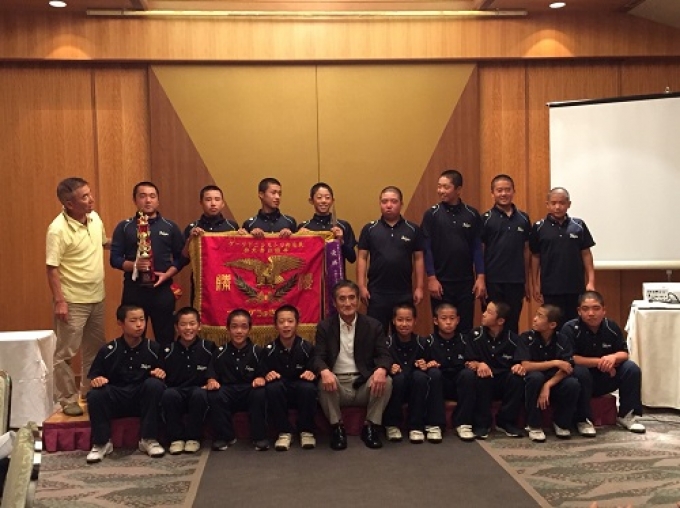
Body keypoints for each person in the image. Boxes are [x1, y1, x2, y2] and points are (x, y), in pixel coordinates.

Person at [46, 177, 108, 417]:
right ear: (69, 204)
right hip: (72, 300)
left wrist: (135, 241)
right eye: (85, 197)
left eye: (90, 194)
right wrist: (60, 301)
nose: (91, 199)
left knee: (94, 349)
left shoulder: (95, 218)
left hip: (97, 297)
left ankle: (89, 392)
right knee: (65, 353)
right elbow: (52, 268)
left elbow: (104, 243)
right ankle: (67, 398)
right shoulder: (57, 229)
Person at [313, 280, 393, 450]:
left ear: (358, 300)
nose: (347, 303)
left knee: (386, 381)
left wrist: (381, 369)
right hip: (336, 386)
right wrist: (324, 370)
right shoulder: (325, 327)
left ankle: (370, 427)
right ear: (334, 303)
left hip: (363, 383)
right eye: (342, 299)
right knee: (322, 380)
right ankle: (337, 428)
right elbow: (317, 357)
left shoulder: (373, 325)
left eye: (351, 298)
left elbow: (385, 355)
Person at [86, 305, 166, 464]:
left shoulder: (154, 348)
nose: (139, 325)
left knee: (155, 385)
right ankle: (102, 443)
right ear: (120, 323)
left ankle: (148, 439)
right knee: (95, 394)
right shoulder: (108, 350)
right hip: (117, 398)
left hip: (141, 398)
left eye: (142, 320)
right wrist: (97, 379)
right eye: (133, 320)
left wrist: (161, 373)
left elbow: (164, 373)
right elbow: (95, 376)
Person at [110, 181, 184, 346]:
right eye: (142, 196)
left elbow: (182, 258)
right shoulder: (124, 227)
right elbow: (114, 259)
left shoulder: (170, 227)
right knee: (133, 337)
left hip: (162, 289)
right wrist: (135, 266)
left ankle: (164, 363)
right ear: (135, 200)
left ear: (158, 200)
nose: (148, 200)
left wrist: (167, 275)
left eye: (152, 196)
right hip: (134, 289)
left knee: (166, 338)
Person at [561, 291, 646, 434]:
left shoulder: (611, 327)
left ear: (603, 310)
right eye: (585, 309)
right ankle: (583, 419)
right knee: (580, 371)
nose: (591, 313)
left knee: (631, 368)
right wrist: (601, 362)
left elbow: (624, 353)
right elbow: (570, 358)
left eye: (596, 308)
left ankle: (626, 415)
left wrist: (613, 358)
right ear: (579, 311)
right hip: (581, 379)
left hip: (607, 377)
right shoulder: (569, 329)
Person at [421, 169, 485, 334]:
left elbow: (477, 248)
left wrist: (480, 277)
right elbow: (426, 249)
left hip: (466, 282)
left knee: (465, 327)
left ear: (458, 189)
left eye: (446, 187)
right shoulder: (431, 214)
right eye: (439, 186)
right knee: (442, 327)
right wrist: (431, 278)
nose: (441, 190)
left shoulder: (472, 214)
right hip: (441, 282)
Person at [357, 186, 425, 333]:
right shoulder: (369, 229)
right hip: (376, 293)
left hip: (403, 292)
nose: (389, 205)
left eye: (393, 201)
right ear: (380, 204)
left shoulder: (413, 229)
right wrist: (361, 286)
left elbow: (419, 258)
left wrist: (419, 287)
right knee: (375, 334)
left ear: (401, 204)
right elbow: (362, 257)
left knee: (402, 335)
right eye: (384, 201)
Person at [516, 305, 589, 443]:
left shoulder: (562, 339)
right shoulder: (526, 337)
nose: (535, 319)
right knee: (535, 378)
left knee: (572, 384)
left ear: (552, 325)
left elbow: (567, 368)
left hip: (555, 380)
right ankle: (533, 424)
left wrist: (548, 385)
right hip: (534, 380)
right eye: (536, 314)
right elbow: (526, 365)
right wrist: (554, 362)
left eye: (540, 316)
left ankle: (561, 423)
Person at [530, 187, 595, 326]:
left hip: (575, 286)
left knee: (575, 324)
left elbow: (586, 254)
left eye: (562, 203)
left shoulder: (579, 225)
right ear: (547, 204)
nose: (557, 207)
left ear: (568, 204)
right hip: (550, 288)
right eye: (553, 203)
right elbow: (535, 257)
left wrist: (591, 281)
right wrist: (535, 284)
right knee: (552, 324)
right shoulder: (538, 227)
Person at [208, 309, 268, 451]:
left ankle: (259, 437)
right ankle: (225, 437)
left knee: (260, 392)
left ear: (250, 329)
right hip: (228, 391)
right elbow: (212, 373)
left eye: (243, 327)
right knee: (214, 394)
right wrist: (211, 380)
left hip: (249, 390)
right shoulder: (219, 352)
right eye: (234, 327)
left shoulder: (257, 351)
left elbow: (264, 373)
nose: (239, 331)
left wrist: (261, 378)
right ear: (228, 328)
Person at [383, 302, 443, 444]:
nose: (404, 324)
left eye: (408, 320)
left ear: (415, 321)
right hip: (397, 388)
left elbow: (432, 362)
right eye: (400, 320)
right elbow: (378, 362)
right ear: (393, 321)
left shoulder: (423, 342)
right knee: (396, 379)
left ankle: (416, 426)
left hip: (417, 388)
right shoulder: (386, 343)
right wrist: (389, 367)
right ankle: (392, 425)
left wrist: (425, 364)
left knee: (421, 376)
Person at [160, 307, 217, 455]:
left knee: (200, 394)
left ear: (199, 325)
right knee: (168, 395)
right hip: (175, 390)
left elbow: (214, 370)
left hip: (198, 389)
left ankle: (193, 438)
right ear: (176, 327)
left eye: (192, 324)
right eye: (183, 324)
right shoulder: (167, 350)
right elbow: (160, 371)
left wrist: (211, 379)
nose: (188, 328)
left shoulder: (209, 347)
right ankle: (176, 438)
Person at [465, 301, 525, 439]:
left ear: (500, 321)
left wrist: (518, 366)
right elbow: (468, 360)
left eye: (489, 312)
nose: (484, 314)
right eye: (485, 310)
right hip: (484, 379)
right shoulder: (475, 334)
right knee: (482, 376)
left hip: (503, 379)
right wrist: (479, 364)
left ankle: (506, 421)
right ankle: (482, 423)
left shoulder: (513, 339)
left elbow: (520, 361)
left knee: (517, 378)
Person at [261, 305, 317, 451]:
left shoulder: (307, 347)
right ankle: (284, 432)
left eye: (290, 321)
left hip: (300, 390)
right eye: (281, 322)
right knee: (273, 387)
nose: (286, 325)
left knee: (308, 387)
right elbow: (263, 371)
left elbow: (314, 369)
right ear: (276, 325)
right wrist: (267, 374)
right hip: (281, 392)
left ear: (297, 323)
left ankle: (306, 431)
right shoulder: (268, 349)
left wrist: (311, 372)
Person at [481, 174, 531, 333]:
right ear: (492, 193)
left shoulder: (523, 218)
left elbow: (526, 250)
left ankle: (511, 350)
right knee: (491, 322)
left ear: (514, 191)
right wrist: (481, 279)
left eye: (507, 190)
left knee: (512, 321)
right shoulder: (485, 219)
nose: (503, 194)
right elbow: (480, 251)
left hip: (516, 280)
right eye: (499, 190)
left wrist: (527, 281)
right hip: (492, 280)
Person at [427, 303, 478, 442]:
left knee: (468, 374)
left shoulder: (465, 340)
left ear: (458, 320)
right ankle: (435, 424)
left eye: (452, 318)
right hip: (439, 386)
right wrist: (427, 364)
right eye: (444, 318)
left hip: (458, 385)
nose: (448, 322)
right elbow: (421, 364)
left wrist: (474, 364)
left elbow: (472, 360)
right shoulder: (428, 341)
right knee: (433, 373)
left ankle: (463, 423)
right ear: (436, 320)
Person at [182, 185, 239, 303]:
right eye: (208, 200)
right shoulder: (193, 228)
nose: (213, 203)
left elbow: (238, 255)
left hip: (226, 279)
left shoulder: (232, 227)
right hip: (201, 280)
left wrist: (243, 237)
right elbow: (184, 258)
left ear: (222, 203)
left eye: (217, 199)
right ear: (201, 203)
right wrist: (190, 239)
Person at [298, 182, 357, 266]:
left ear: (332, 201)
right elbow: (298, 259)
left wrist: (341, 241)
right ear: (311, 201)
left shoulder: (343, 226)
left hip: (336, 274)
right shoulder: (304, 227)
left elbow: (352, 258)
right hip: (312, 274)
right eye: (319, 197)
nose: (323, 201)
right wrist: (301, 237)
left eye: (327, 198)